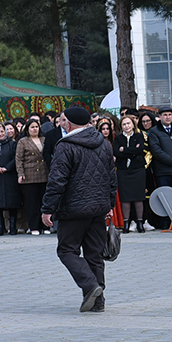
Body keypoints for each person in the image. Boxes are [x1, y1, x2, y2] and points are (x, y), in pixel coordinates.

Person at [41, 106, 117, 313]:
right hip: (98, 207)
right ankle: (98, 301)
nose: (61, 123)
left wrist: (47, 208)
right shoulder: (103, 143)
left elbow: (57, 181)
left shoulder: (66, 146)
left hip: (73, 209)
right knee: (94, 254)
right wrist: (110, 204)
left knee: (67, 250)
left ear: (69, 123)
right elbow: (111, 177)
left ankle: (90, 286)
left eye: (63, 120)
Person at [15, 118, 49, 235]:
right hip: (30, 175)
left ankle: (45, 226)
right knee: (32, 202)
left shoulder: (44, 139)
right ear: (27, 129)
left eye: (36, 127)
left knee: (44, 201)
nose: (35, 129)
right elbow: (19, 159)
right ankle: (34, 226)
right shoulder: (23, 141)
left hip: (44, 174)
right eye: (32, 127)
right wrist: (20, 173)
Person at [114, 115, 147, 233]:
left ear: (133, 124)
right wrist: (132, 151)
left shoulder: (139, 136)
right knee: (125, 198)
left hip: (138, 170)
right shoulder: (118, 138)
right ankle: (126, 223)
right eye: (124, 124)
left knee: (139, 197)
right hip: (123, 171)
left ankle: (140, 223)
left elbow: (140, 150)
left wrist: (125, 150)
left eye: (128, 123)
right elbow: (117, 152)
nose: (126, 126)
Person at [147, 107, 172, 192]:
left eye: (169, 115)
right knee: (165, 196)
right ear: (160, 116)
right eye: (165, 115)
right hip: (163, 172)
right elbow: (156, 150)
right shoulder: (154, 131)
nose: (168, 117)